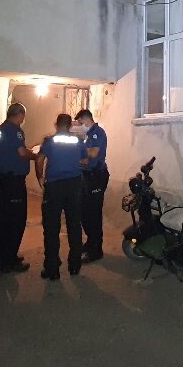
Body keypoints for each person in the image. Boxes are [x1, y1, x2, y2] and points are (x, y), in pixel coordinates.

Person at [36, 113, 85, 280]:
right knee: (74, 225)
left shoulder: (49, 141)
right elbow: (84, 160)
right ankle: (75, 266)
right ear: (70, 126)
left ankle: (52, 270)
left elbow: (39, 159)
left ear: (56, 124)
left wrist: (40, 177)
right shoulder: (77, 140)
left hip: (54, 187)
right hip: (74, 185)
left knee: (51, 228)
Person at [0, 103, 34, 273]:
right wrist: (35, 155)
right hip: (13, 183)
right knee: (16, 220)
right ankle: (10, 260)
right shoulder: (15, 131)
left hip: (0, 180)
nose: (23, 119)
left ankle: (1, 258)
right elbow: (22, 152)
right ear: (20, 115)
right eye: (23, 116)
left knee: (1, 219)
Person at [75, 108, 109, 263]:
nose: (79, 125)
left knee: (93, 213)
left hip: (96, 177)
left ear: (86, 119)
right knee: (84, 212)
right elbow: (85, 158)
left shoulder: (97, 133)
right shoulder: (87, 135)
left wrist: (77, 150)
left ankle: (96, 249)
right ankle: (90, 242)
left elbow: (94, 153)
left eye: (80, 122)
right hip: (86, 176)